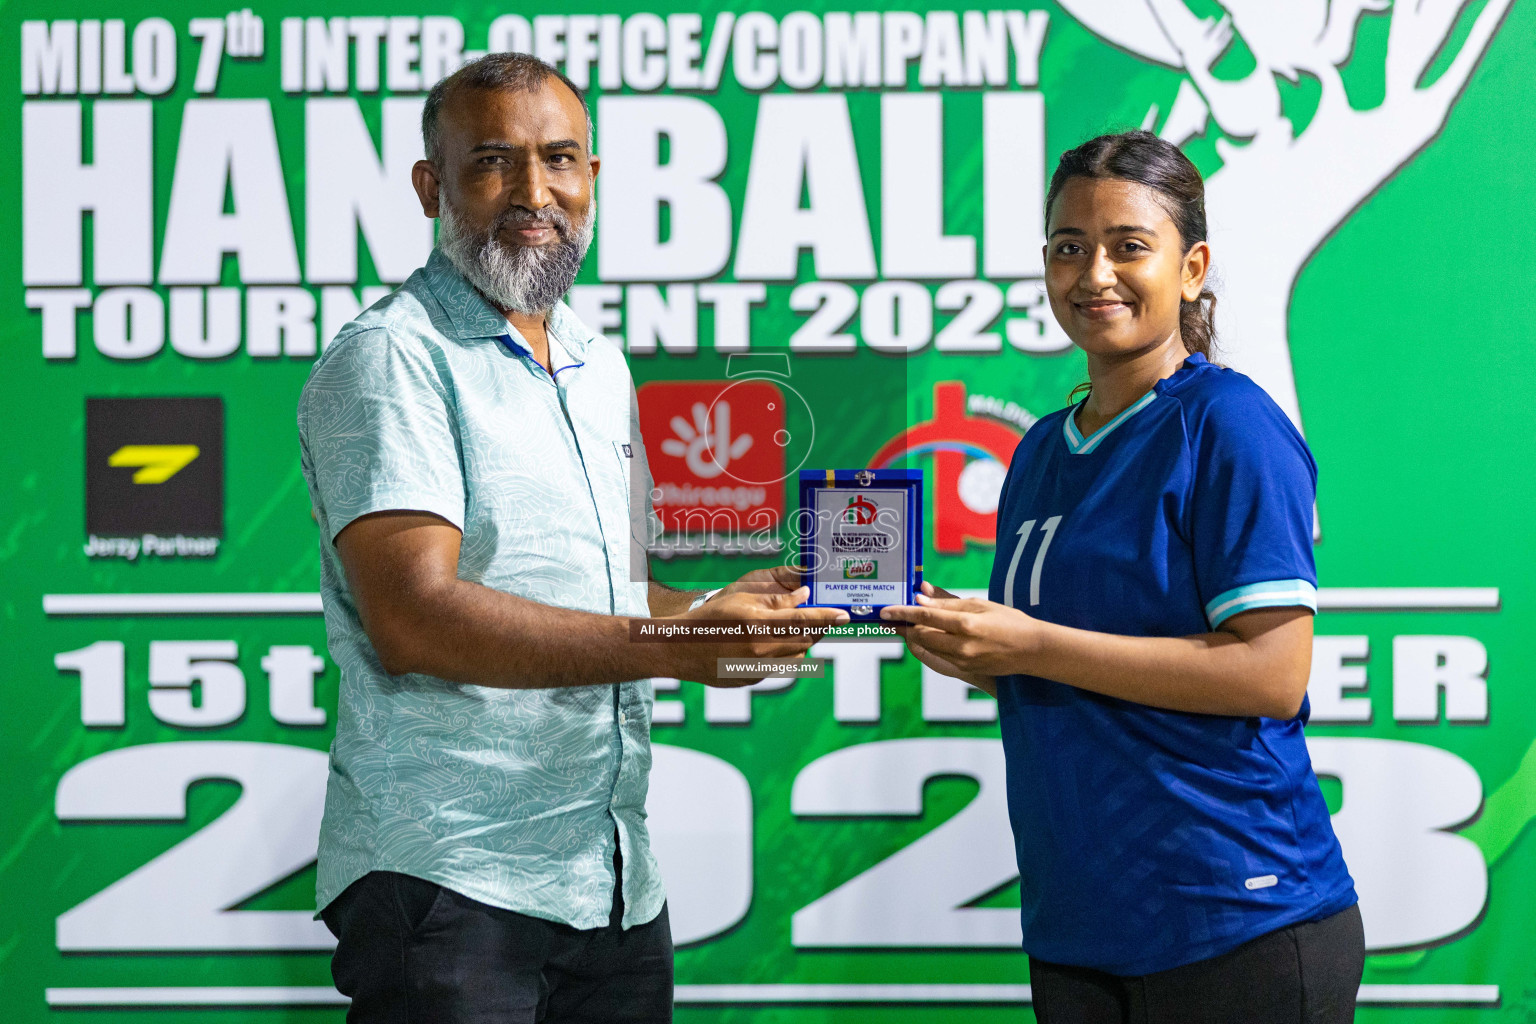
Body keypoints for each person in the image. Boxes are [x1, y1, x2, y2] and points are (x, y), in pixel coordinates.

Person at [298, 53, 846, 1023]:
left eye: (559, 159)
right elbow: (416, 618)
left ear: (594, 176)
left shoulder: (599, 366)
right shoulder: (391, 358)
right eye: (492, 163)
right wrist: (681, 646)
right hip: (450, 880)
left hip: (612, 884)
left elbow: (621, 600)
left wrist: (724, 618)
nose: (533, 191)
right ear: (433, 186)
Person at [883, 130, 1363, 1023]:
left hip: (1236, 918)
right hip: (1081, 925)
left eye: (1128, 246)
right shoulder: (1036, 452)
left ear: (1193, 267)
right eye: (1069, 247)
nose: (1093, 272)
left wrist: (1033, 643)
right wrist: (964, 637)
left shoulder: (1230, 425)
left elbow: (1271, 672)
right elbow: (1050, 655)